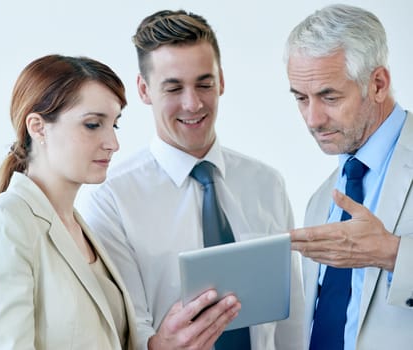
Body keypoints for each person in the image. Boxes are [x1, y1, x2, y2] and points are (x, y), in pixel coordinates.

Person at [77, 10, 304, 350]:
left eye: (204, 83)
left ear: (221, 80)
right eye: (173, 88)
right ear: (144, 89)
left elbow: (291, 319)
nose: (193, 103)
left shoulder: (267, 184)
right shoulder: (111, 200)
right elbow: (126, 327)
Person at [0, 54, 139, 349]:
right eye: (93, 124)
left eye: (114, 125)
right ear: (38, 127)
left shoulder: (80, 226)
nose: (113, 143)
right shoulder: (3, 225)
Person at [285, 4, 413, 350]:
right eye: (301, 98)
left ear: (378, 84)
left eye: (329, 96)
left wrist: (391, 253)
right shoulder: (320, 200)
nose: (312, 119)